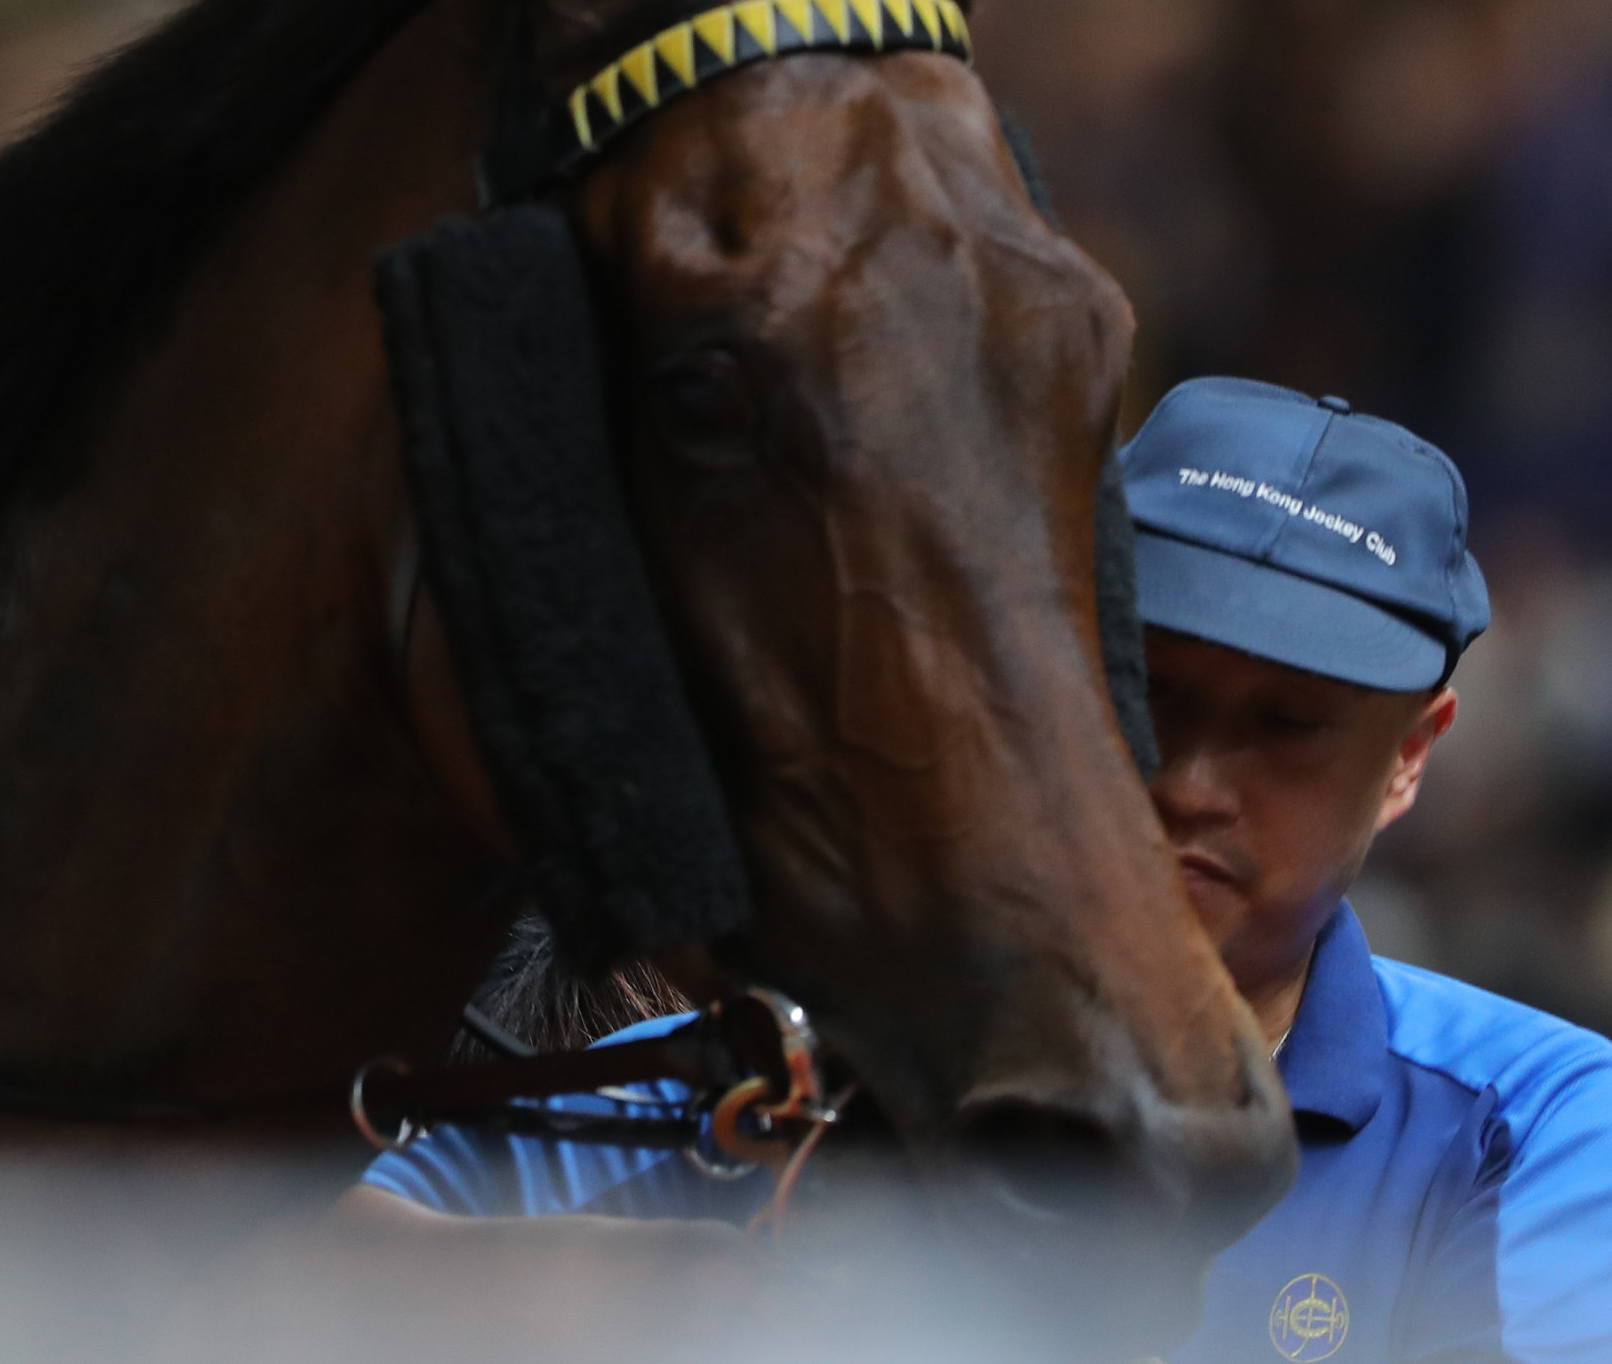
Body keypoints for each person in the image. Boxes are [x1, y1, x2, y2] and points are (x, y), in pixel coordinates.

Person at [352, 378, 1612, 1361]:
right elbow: (263, 1261)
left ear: (1409, 759)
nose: (1189, 783)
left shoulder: (1543, 1126)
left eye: (1288, 728)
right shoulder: (766, 1082)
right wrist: (685, 1293)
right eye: (1147, 691)